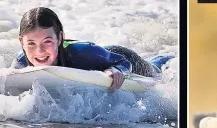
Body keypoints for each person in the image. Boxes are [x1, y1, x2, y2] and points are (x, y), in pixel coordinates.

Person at [11, 7, 172, 93]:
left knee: (157, 69)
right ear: (21, 42)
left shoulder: (83, 52)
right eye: (31, 43)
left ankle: (170, 55)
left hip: (117, 56)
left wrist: (116, 69)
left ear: (60, 38)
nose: (39, 51)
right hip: (102, 57)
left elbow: (124, 62)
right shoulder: (21, 61)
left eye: (47, 41)